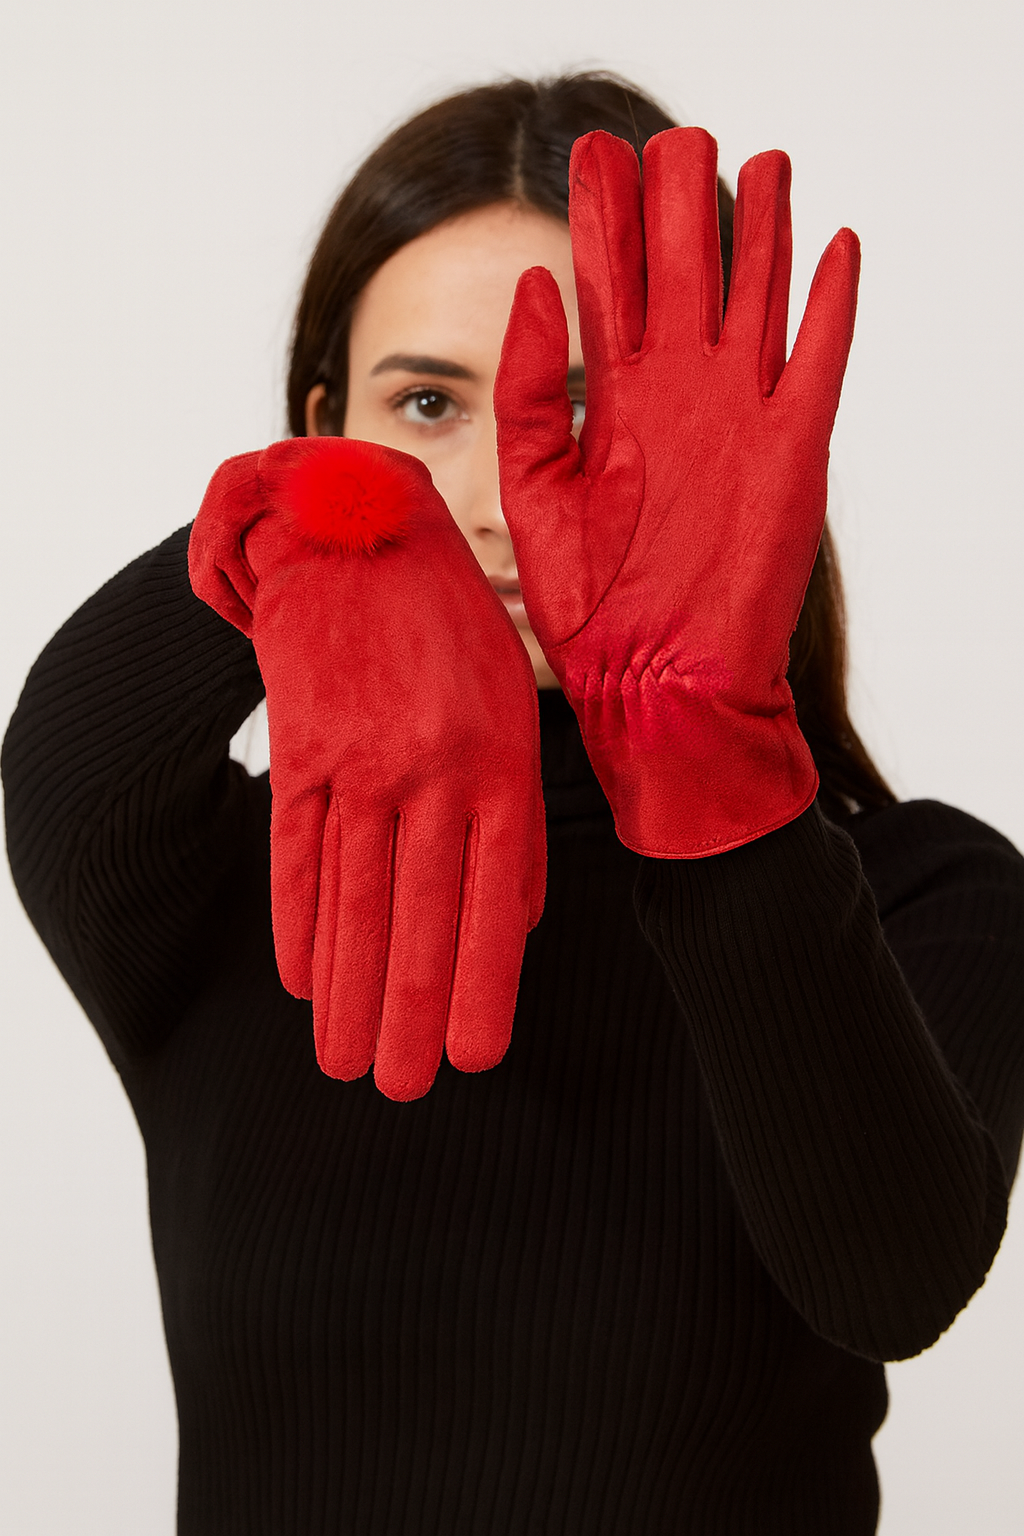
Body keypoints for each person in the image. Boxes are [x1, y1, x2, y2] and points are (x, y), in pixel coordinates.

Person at [3, 71, 1023, 1535]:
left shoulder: (929, 893)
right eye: (424, 405)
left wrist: (707, 768)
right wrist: (304, 528)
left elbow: (893, 1279)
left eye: (581, 417)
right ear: (319, 420)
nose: (486, 496)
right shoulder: (220, 879)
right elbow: (61, 766)